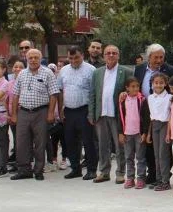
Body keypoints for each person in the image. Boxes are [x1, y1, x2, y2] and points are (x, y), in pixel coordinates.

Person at [132, 43, 173, 185]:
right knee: (148, 144)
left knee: (163, 148)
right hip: (145, 111)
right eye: (156, 57)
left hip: (164, 113)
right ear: (149, 57)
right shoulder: (139, 69)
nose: (159, 60)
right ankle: (152, 173)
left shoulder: (170, 70)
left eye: (161, 57)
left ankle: (164, 175)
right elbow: (134, 86)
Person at [10, 49, 59, 181]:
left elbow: (54, 94)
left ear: (40, 58)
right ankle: (24, 170)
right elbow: (15, 95)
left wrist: (50, 113)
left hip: (41, 112)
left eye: (36, 57)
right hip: (24, 112)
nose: (33, 60)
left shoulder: (48, 73)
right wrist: (14, 114)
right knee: (21, 142)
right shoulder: (21, 74)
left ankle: (38, 170)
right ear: (26, 59)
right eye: (30, 57)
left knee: (40, 142)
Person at [88, 45, 131, 184]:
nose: (111, 55)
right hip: (101, 114)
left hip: (118, 115)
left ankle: (120, 172)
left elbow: (132, 91)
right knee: (103, 145)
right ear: (104, 55)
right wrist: (91, 113)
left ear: (118, 55)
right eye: (108, 53)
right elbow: (93, 94)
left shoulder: (126, 72)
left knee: (120, 145)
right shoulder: (97, 72)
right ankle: (104, 172)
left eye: (114, 53)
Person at [57, 46, 97, 180]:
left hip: (84, 110)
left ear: (83, 56)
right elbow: (60, 91)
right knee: (70, 141)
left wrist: (92, 113)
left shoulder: (91, 70)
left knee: (88, 141)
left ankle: (91, 170)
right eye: (71, 58)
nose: (73, 60)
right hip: (69, 111)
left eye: (76, 57)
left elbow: (94, 93)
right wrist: (60, 110)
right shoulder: (63, 70)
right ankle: (75, 169)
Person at [118, 76, 150, 189]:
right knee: (128, 157)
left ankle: (141, 178)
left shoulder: (142, 100)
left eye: (137, 86)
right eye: (132, 86)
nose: (136, 88)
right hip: (127, 134)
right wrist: (120, 132)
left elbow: (146, 118)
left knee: (140, 157)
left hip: (138, 134)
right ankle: (130, 178)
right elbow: (120, 117)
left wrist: (145, 133)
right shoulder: (122, 100)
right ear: (127, 88)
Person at [146, 72, 171, 191]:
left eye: (161, 83)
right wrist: (149, 133)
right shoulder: (150, 98)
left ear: (165, 84)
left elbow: (170, 116)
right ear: (152, 84)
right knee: (156, 154)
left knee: (163, 154)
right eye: (156, 83)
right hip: (154, 125)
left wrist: (168, 133)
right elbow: (151, 116)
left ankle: (165, 181)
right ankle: (158, 179)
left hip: (165, 125)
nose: (158, 85)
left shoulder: (169, 97)